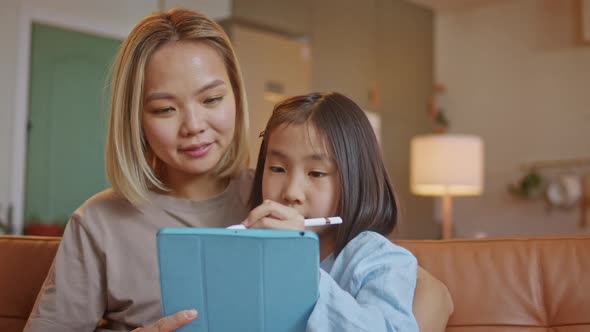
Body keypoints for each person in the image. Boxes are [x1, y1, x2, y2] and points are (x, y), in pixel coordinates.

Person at [24, 8, 452, 332]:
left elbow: (432, 295)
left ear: (236, 97)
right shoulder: (99, 223)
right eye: (165, 108)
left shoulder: (275, 199)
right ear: (135, 118)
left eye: (211, 100)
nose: (194, 126)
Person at [244, 92, 420, 331]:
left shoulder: (382, 260)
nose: (292, 192)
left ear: (355, 180)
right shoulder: (249, 253)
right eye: (277, 168)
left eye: (316, 173)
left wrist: (299, 266)